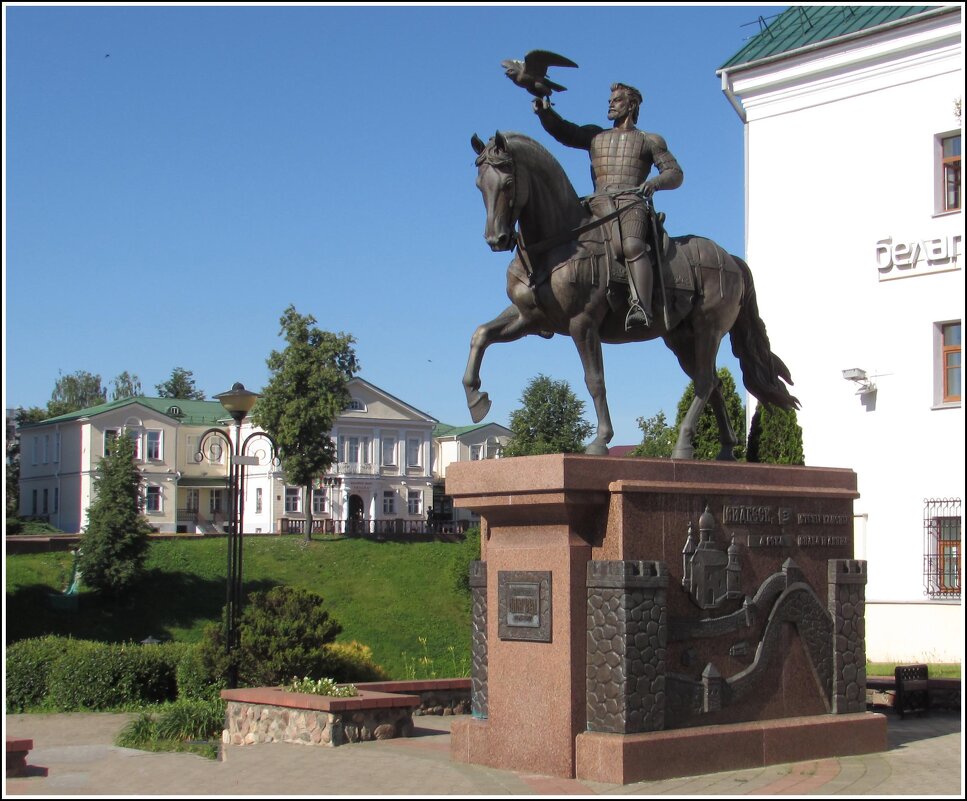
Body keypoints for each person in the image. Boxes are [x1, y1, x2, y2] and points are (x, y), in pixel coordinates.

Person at [534, 83, 683, 329]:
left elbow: (675, 173)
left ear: (631, 105)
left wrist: (655, 183)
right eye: (610, 100)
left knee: (632, 245)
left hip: (629, 203)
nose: (610, 103)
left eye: (617, 100)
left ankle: (641, 307)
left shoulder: (649, 140)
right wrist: (544, 112)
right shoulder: (595, 135)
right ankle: (544, 302)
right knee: (559, 237)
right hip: (596, 202)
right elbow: (564, 131)